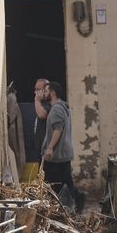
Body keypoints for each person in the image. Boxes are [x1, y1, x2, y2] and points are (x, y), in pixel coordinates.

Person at [42, 81, 83, 210]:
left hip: (56, 154)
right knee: (64, 181)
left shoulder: (57, 109)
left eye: (47, 91)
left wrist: (49, 147)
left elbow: (58, 129)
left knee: (49, 181)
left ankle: (53, 207)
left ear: (53, 93)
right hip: (62, 153)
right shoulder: (63, 107)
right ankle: (77, 199)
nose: (44, 93)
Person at [32, 78, 51, 158]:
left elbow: (42, 115)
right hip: (40, 148)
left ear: (45, 90)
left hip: (48, 148)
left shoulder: (50, 104)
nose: (35, 92)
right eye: (35, 89)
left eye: (38, 89)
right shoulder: (41, 104)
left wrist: (37, 100)